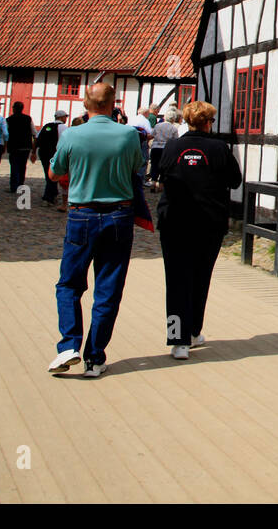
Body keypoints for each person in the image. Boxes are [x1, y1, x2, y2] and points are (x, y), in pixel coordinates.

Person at [47, 82, 145, 378]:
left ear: (85, 104)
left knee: (69, 284)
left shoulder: (73, 134)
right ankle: (94, 357)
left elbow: (54, 174)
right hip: (119, 215)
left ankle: (69, 345)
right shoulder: (129, 134)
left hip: (82, 214)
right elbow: (136, 168)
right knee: (108, 287)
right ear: (114, 103)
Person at [157, 100, 241, 360]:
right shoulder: (219, 148)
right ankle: (193, 331)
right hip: (208, 222)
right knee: (200, 277)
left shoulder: (172, 146)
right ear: (207, 122)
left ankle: (178, 340)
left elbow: (162, 175)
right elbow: (235, 180)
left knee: (176, 280)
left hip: (174, 221)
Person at [34, 110, 68, 206]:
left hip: (43, 153)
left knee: (48, 173)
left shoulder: (47, 126)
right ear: (61, 117)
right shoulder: (63, 128)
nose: (66, 118)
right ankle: (48, 198)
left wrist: (33, 152)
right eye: (65, 117)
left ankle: (53, 193)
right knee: (53, 175)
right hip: (54, 154)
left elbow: (37, 138)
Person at [5, 101, 36, 195]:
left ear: (14, 108)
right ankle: (20, 184)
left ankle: (14, 186)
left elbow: (6, 134)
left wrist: (5, 145)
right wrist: (34, 148)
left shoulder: (9, 120)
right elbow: (34, 132)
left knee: (14, 166)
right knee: (22, 166)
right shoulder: (28, 119)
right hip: (25, 146)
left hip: (14, 146)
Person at [147, 106, 181, 191]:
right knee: (164, 167)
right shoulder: (173, 128)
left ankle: (153, 183)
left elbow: (151, 135)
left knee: (154, 165)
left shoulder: (158, 126)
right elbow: (176, 139)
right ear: (173, 119)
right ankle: (161, 186)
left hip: (155, 147)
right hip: (166, 149)